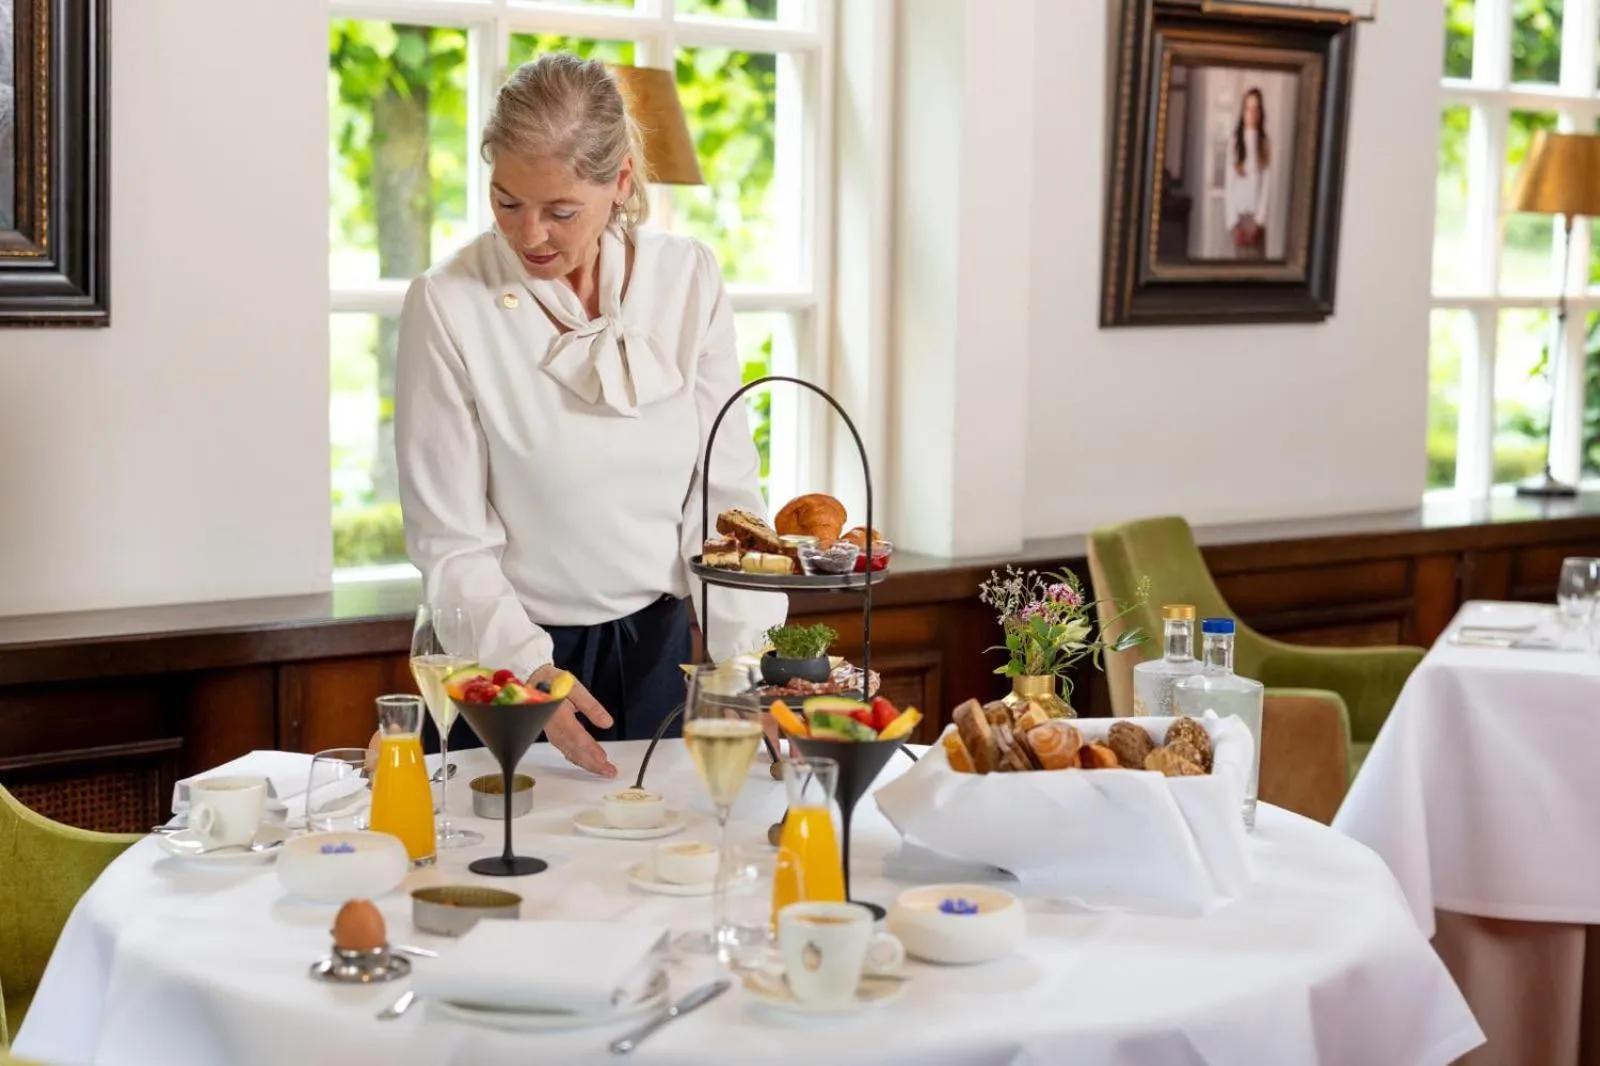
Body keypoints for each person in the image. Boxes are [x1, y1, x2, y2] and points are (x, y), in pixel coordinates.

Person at [394, 53, 786, 779]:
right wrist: (524, 671)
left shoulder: (687, 278)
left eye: (560, 210)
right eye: (506, 201)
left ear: (622, 182)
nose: (529, 234)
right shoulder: (447, 302)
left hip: (657, 656)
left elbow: (723, 500)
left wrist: (746, 664)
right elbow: (450, 542)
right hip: (505, 658)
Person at [1223, 87, 1271, 260]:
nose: (1251, 114)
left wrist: (1258, 222)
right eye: (1248, 108)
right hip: (1238, 220)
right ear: (1243, 111)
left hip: (1256, 220)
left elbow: (1266, 185)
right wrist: (1234, 224)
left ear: (1260, 113)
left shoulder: (1264, 143)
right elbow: (1228, 186)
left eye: (1255, 109)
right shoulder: (1234, 142)